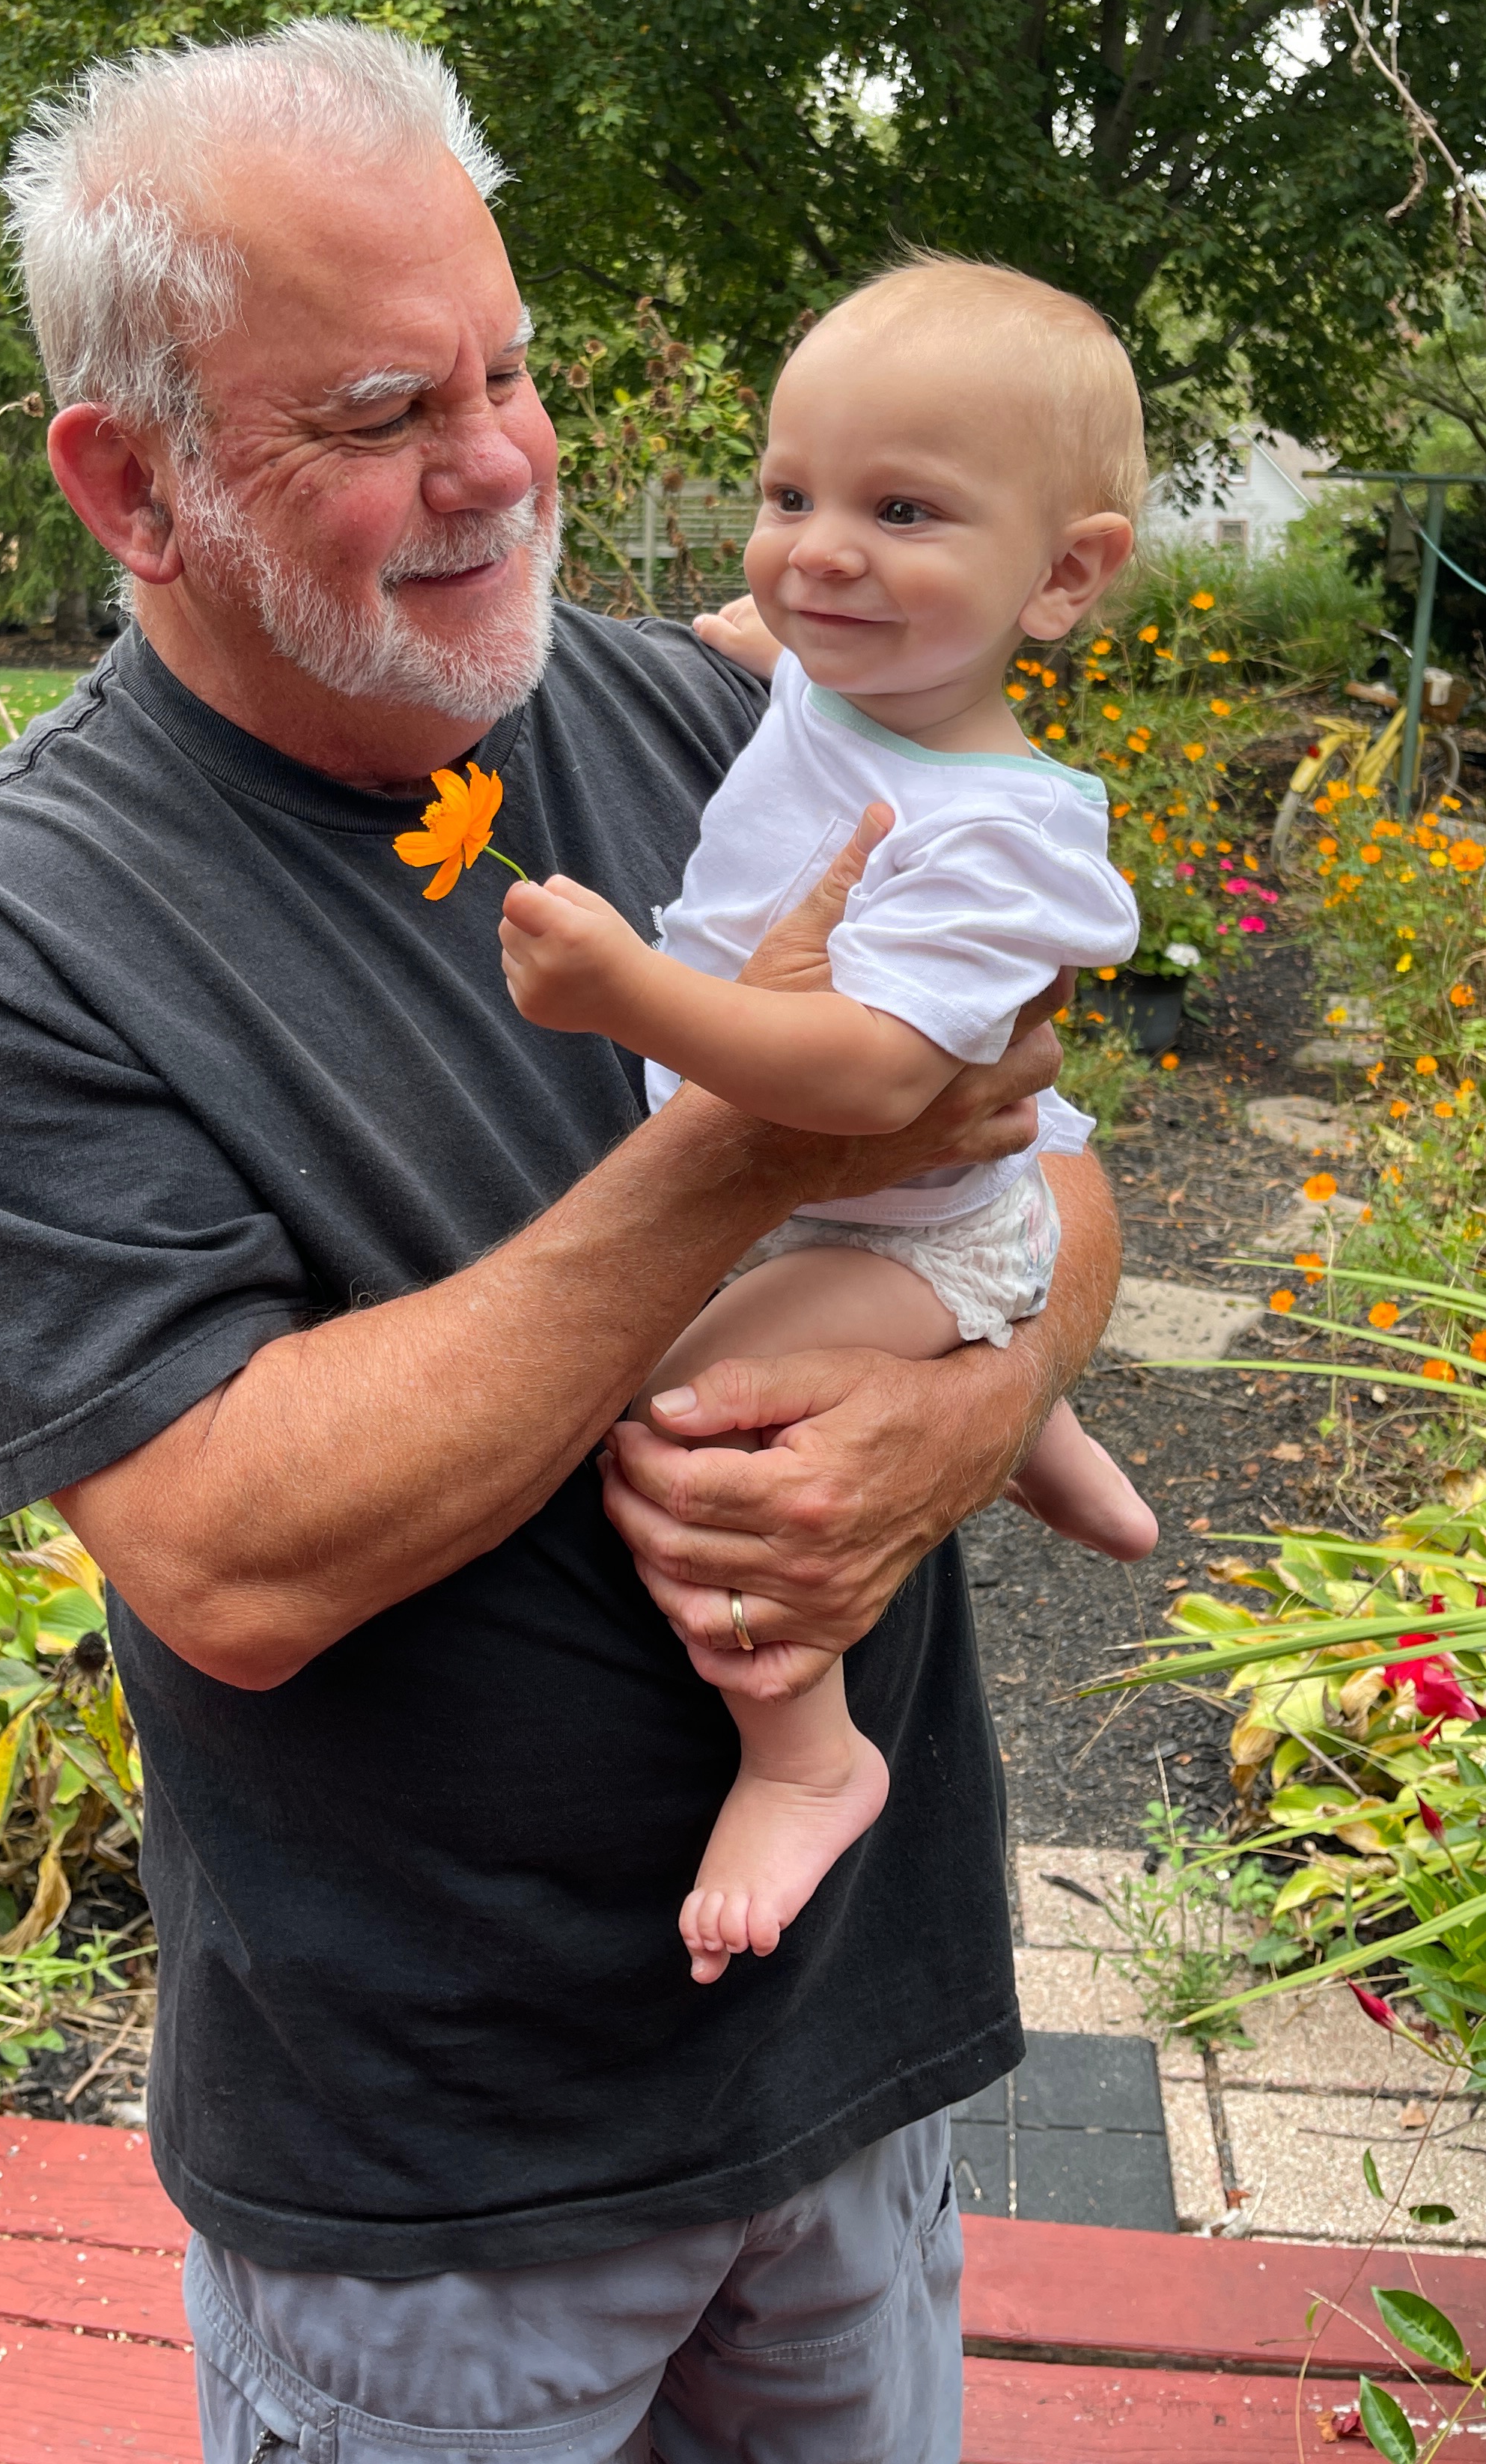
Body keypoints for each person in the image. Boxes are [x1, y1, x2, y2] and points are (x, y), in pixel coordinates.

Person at [0, 19, 1125, 2464]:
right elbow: (230, 1554)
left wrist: (969, 1417)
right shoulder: (9, 937)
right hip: (441, 2203)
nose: (501, 463)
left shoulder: (714, 726)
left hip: (849, 2070)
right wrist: (741, 1148)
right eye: (380, 414)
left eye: (509, 372)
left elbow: (1045, 1177)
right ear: (131, 481)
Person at [493, 256, 1160, 1986]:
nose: (820, 554)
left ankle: (804, 1755)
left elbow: (873, 1088)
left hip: (906, 1224)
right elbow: (780, 645)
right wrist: (761, 630)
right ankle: (1032, 1418)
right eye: (791, 497)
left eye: (902, 511)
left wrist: (631, 994)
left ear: (1065, 575)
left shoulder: (998, 833)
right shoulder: (853, 684)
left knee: (683, 1416)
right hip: (865, 1216)